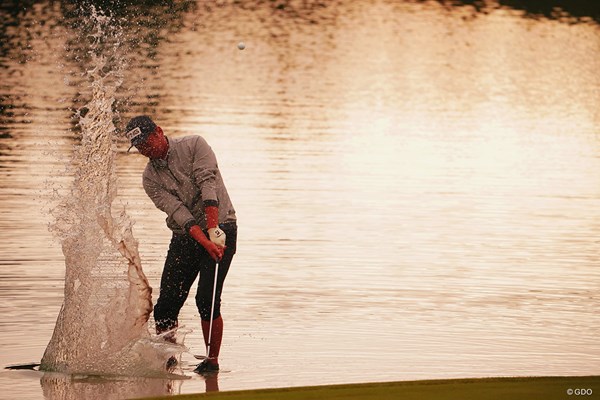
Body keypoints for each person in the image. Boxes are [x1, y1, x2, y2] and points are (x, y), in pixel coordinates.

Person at [125, 115, 237, 374]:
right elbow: (178, 212)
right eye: (139, 147)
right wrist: (202, 239)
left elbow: (207, 186)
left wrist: (212, 233)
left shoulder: (195, 145)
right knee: (165, 307)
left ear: (159, 132)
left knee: (206, 300)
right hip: (185, 236)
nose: (145, 150)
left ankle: (211, 363)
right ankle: (168, 362)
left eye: (146, 142)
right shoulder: (150, 178)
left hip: (221, 227)